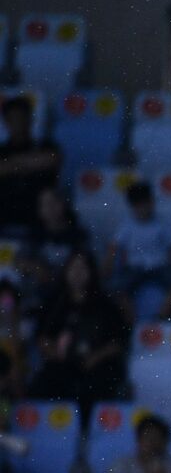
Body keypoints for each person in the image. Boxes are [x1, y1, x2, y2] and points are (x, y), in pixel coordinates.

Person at [29, 249, 129, 409]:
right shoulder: (54, 303)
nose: (77, 273)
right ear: (66, 271)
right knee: (42, 384)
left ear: (91, 272)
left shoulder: (106, 304)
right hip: (62, 363)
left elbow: (117, 342)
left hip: (97, 364)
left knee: (94, 386)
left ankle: (86, 430)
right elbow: (41, 336)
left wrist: (95, 357)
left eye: (83, 268)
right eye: (73, 268)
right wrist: (51, 350)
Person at [104, 180, 171, 321]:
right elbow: (114, 248)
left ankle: (160, 317)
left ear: (152, 203)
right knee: (116, 288)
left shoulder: (161, 224)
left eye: (146, 203)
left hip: (160, 266)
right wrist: (107, 268)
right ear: (132, 206)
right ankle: (132, 322)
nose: (143, 208)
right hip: (134, 268)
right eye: (138, 205)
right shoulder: (126, 226)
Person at [0, 96, 61, 237]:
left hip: (40, 220)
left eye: (21, 117)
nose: (18, 122)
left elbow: (51, 159)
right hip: (5, 214)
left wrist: (10, 165)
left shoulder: (46, 146)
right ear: (6, 121)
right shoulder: (2, 150)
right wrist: (30, 163)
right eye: (13, 118)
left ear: (30, 119)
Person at [22, 185, 89, 283]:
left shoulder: (78, 235)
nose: (50, 208)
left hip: (69, 289)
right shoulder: (33, 235)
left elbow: (86, 266)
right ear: (39, 210)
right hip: (39, 289)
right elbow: (20, 261)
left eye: (53, 202)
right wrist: (37, 269)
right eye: (45, 204)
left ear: (63, 205)